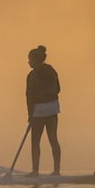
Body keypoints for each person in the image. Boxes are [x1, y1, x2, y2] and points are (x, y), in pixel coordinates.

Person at [25, 45, 61, 176]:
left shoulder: (31, 76)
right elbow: (58, 89)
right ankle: (56, 170)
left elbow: (29, 97)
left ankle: (35, 171)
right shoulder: (51, 70)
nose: (28, 62)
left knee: (35, 141)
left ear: (35, 59)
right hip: (53, 109)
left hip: (38, 112)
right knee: (53, 139)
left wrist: (30, 115)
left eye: (30, 59)